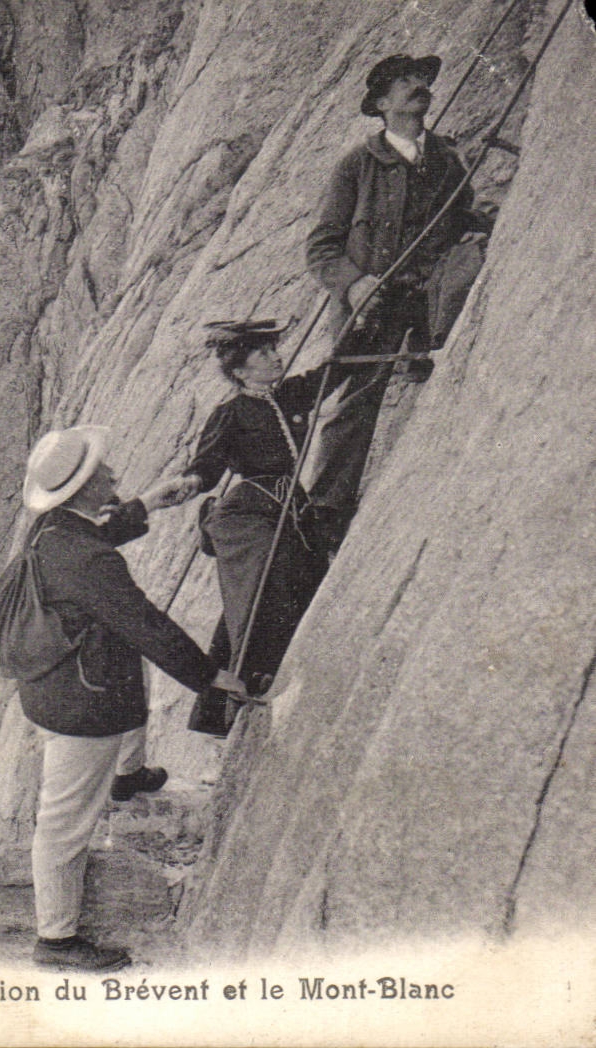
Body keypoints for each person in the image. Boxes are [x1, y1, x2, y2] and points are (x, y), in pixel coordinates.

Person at [13, 425, 246, 971]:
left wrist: (146, 503)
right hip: (79, 703)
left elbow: (94, 537)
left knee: (130, 672)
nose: (116, 476)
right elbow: (148, 625)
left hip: (61, 680)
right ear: (86, 490)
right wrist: (211, 676)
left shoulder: (51, 529)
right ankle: (56, 941)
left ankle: (128, 774)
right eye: (106, 474)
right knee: (65, 820)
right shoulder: (90, 563)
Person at [304, 52, 484, 549]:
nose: (417, 87)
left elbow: (460, 216)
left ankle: (426, 349)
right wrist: (354, 283)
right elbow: (321, 246)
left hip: (428, 296)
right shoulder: (357, 166)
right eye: (404, 82)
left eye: (421, 81)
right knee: (356, 402)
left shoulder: (447, 158)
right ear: (382, 104)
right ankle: (324, 516)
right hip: (375, 305)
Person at [176, 320, 353, 732]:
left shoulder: (288, 394)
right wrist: (191, 482)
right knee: (265, 585)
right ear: (239, 370)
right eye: (264, 353)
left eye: (274, 350)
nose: (276, 358)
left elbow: (331, 372)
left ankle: (219, 708)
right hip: (248, 511)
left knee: (284, 584)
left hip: (288, 506)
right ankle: (249, 682)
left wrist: (361, 325)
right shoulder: (231, 413)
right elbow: (206, 466)